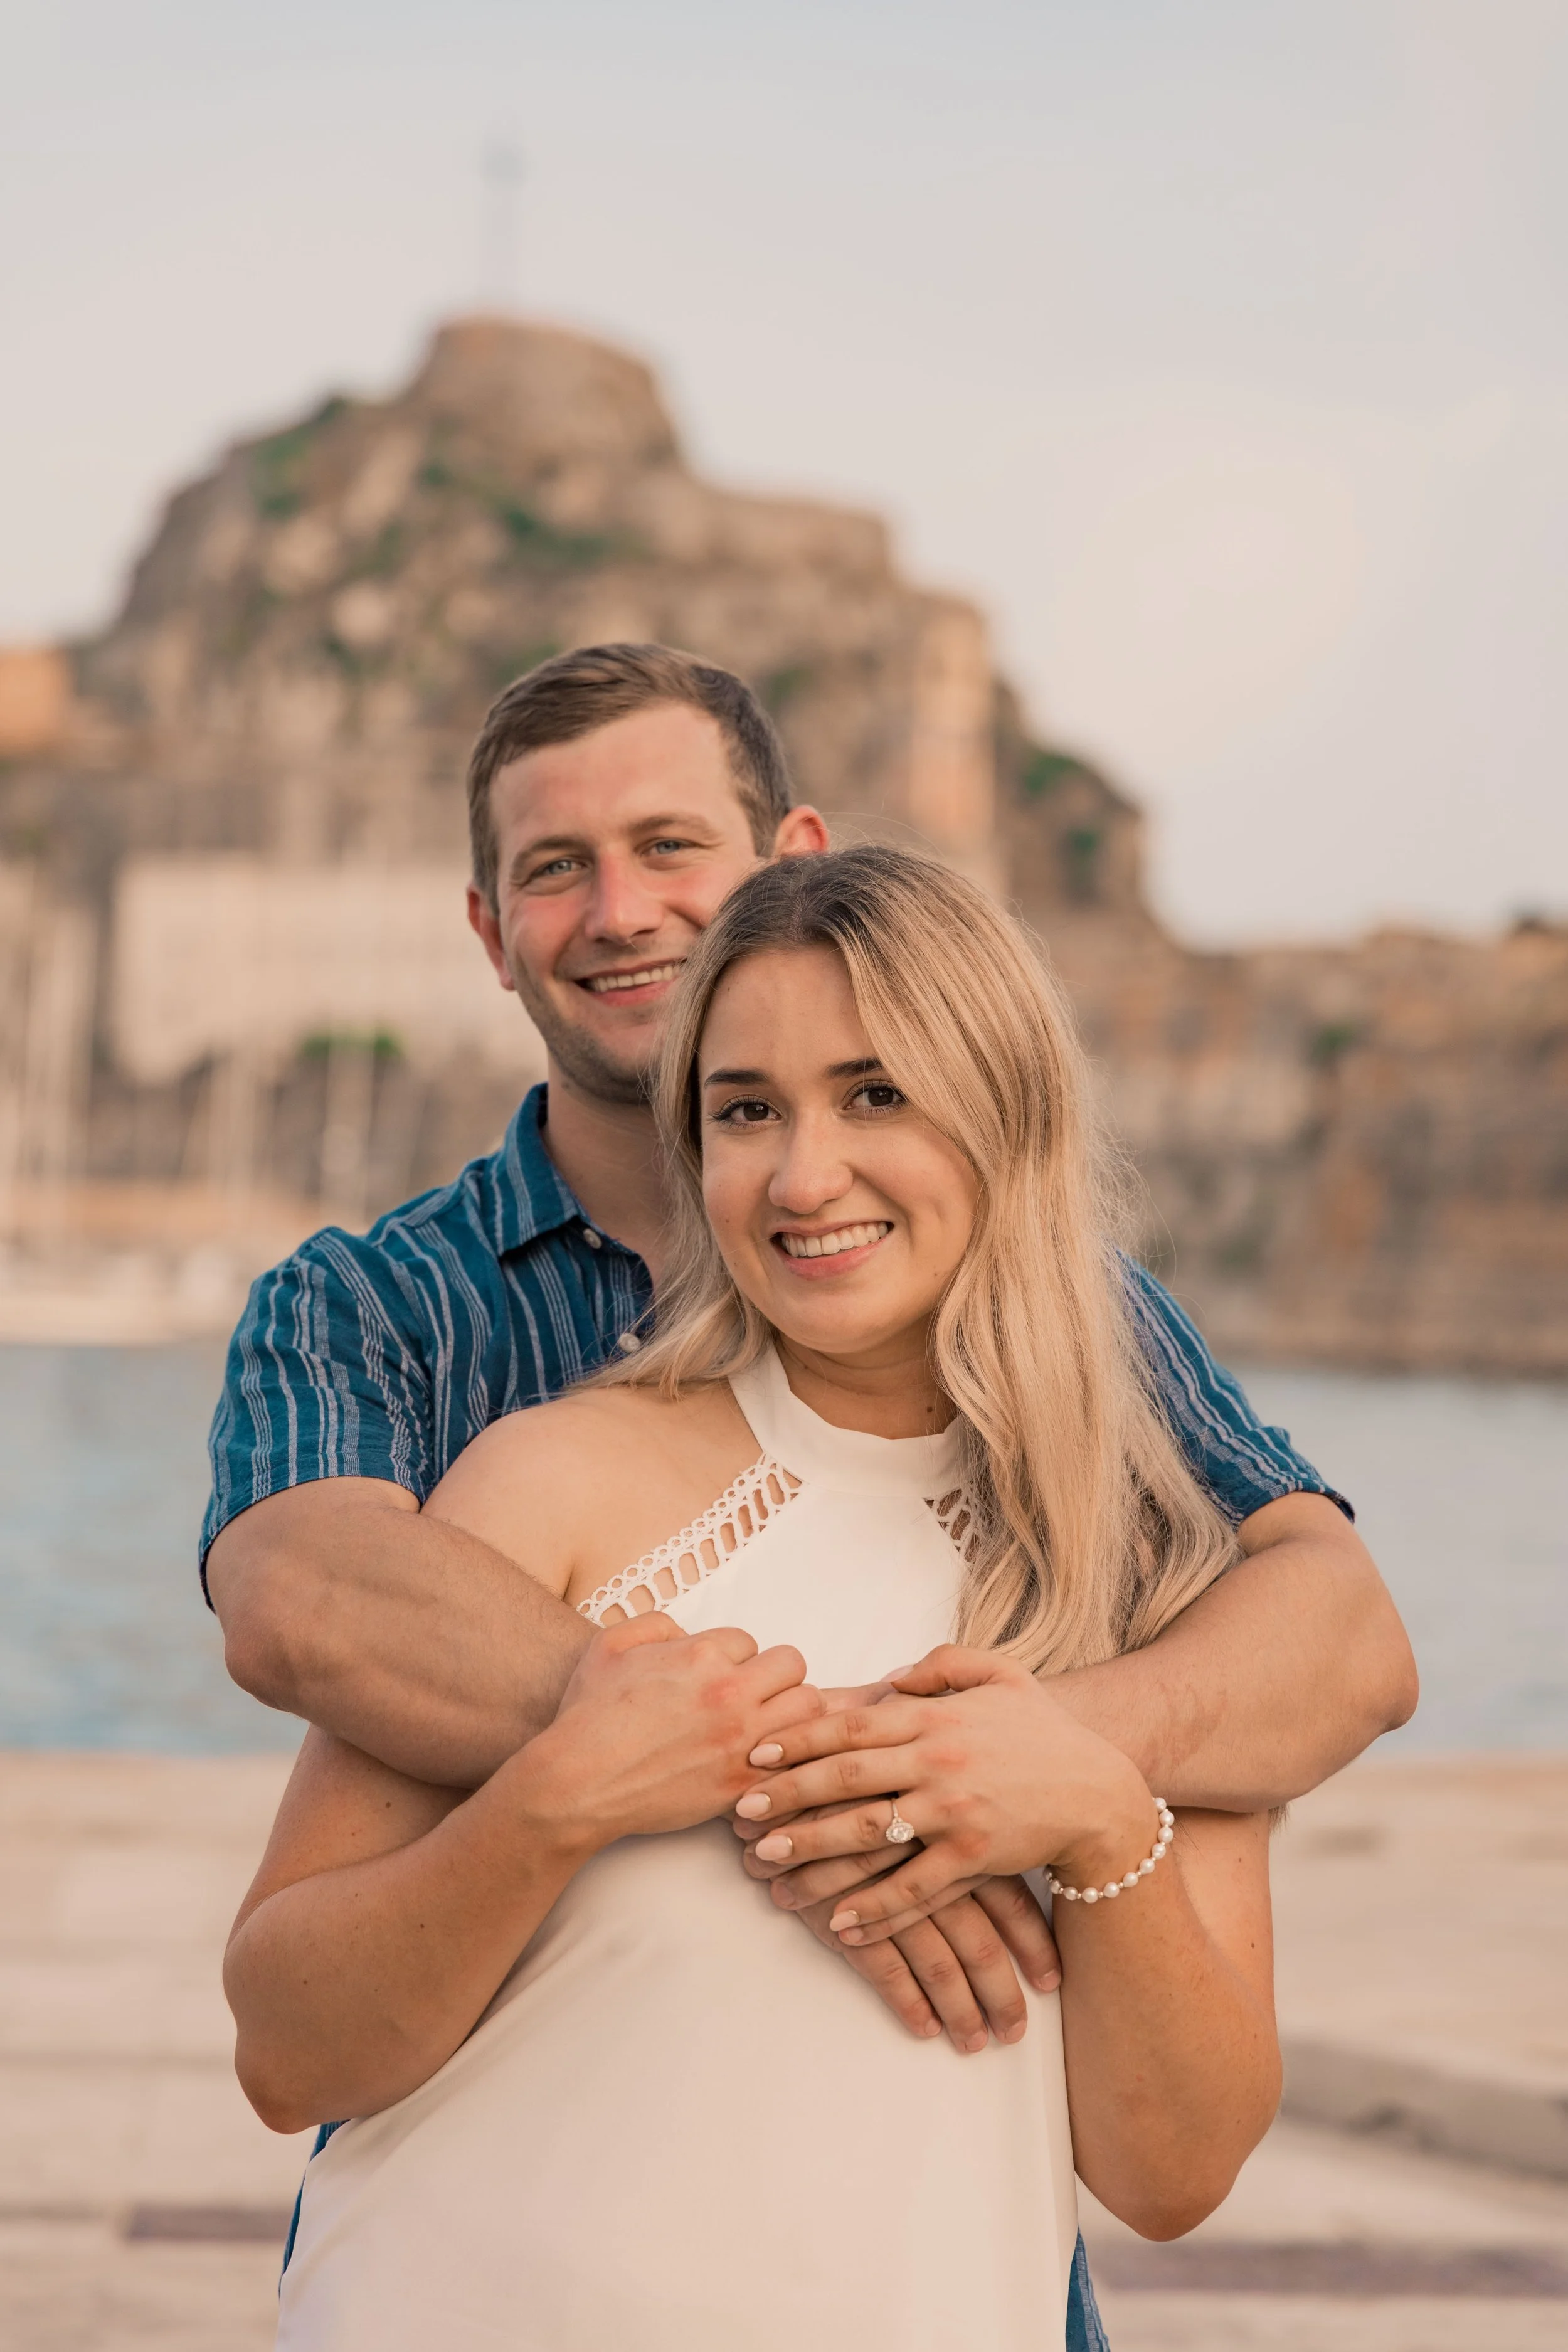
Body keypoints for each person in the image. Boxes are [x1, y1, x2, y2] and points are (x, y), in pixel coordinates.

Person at [204, 642, 1414, 2347]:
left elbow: (1335, 1637)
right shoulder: (456, 1372)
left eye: (874, 1095)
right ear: (491, 930)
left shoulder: (1125, 1492)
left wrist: (1068, 1786)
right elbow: (306, 1601)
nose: (804, 1172)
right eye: (745, 1111)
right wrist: (769, 1775)